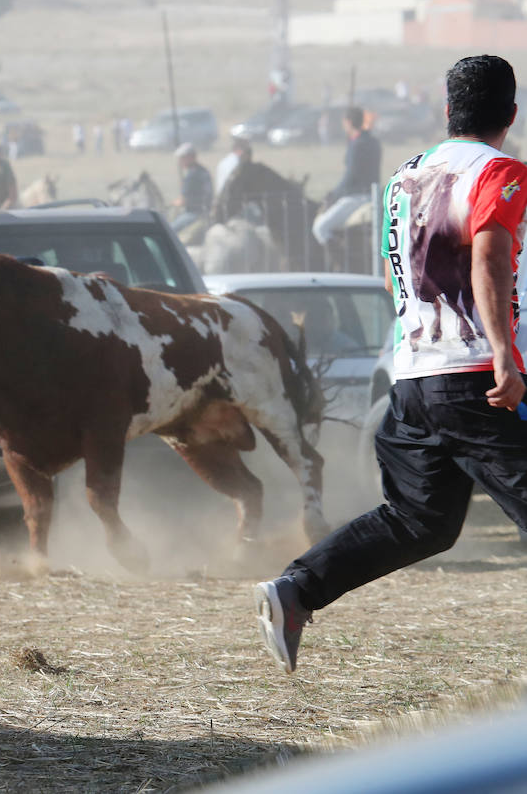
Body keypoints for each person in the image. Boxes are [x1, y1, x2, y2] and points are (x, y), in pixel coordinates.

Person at [253, 54, 527, 675]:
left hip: (412, 377)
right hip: (475, 376)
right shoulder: (502, 172)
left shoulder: (405, 178)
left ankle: (296, 590)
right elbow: (489, 258)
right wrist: (504, 357)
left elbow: (391, 276)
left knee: (420, 519)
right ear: (510, 115)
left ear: (446, 110)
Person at [312, 106, 383, 246]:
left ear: (348, 122)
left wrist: (333, 194)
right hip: (373, 195)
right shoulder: (373, 142)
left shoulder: (356, 144)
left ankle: (341, 259)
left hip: (355, 197)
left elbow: (350, 176)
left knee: (320, 228)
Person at [171, 142, 212, 232]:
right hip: (205, 211)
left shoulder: (191, 175)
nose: (180, 161)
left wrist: (174, 203)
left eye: (182, 158)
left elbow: (182, 201)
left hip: (194, 213)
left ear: (190, 157)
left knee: (170, 230)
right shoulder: (203, 171)